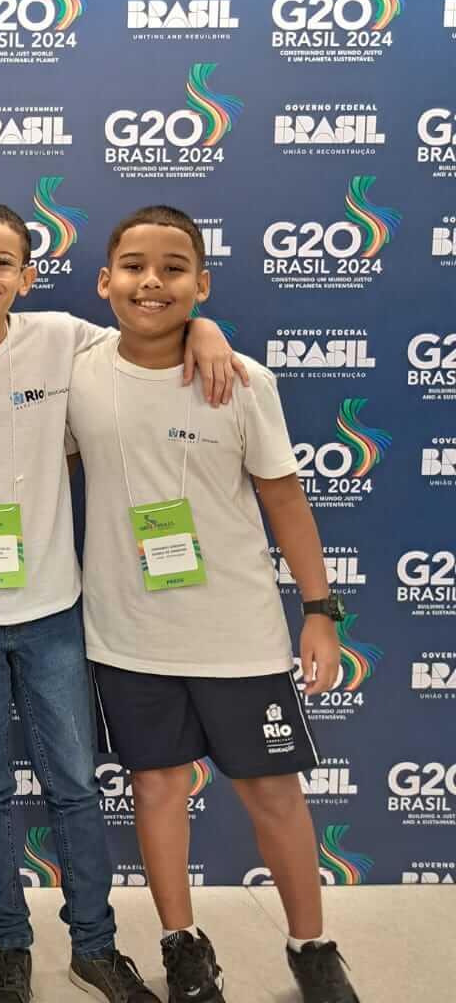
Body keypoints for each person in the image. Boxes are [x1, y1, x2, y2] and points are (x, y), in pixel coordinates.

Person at [0, 203, 238, 1003]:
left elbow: (152, 333)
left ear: (27, 276)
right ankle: (8, 944)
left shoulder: (61, 338)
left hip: (51, 608)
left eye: (3, 262)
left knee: (75, 782)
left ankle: (94, 944)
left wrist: (206, 331)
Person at [67, 206, 359, 1003]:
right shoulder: (78, 368)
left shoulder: (242, 379)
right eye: (132, 266)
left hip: (237, 635)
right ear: (104, 280)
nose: (149, 282)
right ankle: (182, 944)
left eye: (172, 268)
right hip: (127, 635)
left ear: (202, 283)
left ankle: (312, 946)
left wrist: (320, 608)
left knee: (273, 793)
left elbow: (286, 499)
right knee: (158, 789)